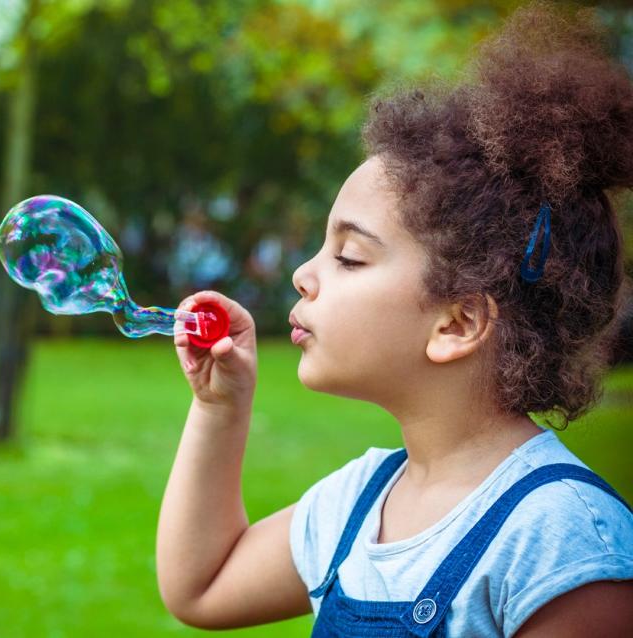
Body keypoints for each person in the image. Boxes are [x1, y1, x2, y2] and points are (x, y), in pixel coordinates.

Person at [156, 3, 633, 636]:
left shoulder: (560, 541)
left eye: (349, 256)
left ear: (457, 324)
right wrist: (220, 410)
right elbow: (203, 587)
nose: (303, 274)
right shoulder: (358, 502)